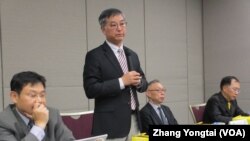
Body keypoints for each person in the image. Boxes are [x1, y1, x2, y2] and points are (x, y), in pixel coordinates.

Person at [83, 8, 148, 141]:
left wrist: (139, 82)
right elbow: (90, 89)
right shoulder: (95, 56)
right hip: (110, 124)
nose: (119, 28)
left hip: (134, 121)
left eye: (123, 24)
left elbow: (144, 83)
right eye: (113, 25)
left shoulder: (132, 55)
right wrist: (122, 82)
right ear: (103, 29)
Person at [0, 71, 75, 141]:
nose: (39, 101)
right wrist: (39, 125)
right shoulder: (3, 122)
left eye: (42, 95)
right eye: (33, 95)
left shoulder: (52, 114)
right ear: (14, 97)